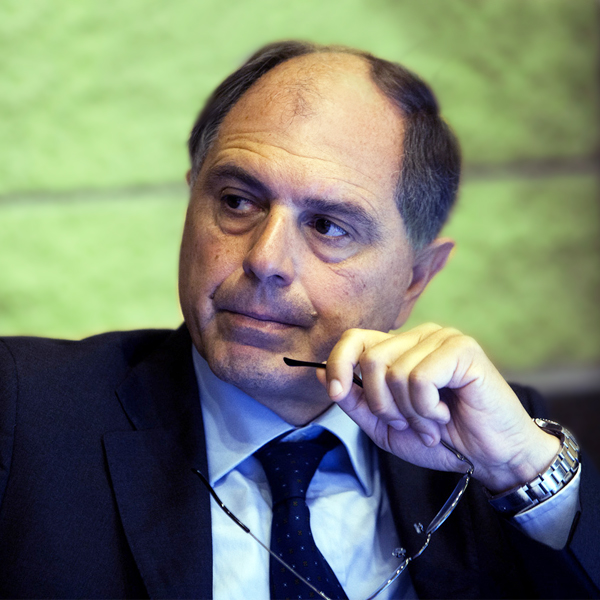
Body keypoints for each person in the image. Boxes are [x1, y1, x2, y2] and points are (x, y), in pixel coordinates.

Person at [0, 40, 598, 599]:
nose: (265, 260)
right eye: (237, 201)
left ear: (415, 278)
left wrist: (522, 470)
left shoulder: (490, 443)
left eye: (328, 226)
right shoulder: (24, 411)